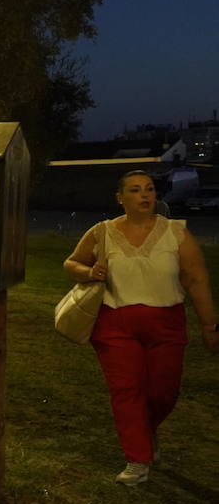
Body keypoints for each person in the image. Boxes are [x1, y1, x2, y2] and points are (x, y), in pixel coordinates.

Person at [62, 170, 219, 485]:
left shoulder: (176, 233)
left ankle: (146, 432)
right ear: (120, 198)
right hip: (115, 324)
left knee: (164, 392)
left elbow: (196, 279)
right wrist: (90, 271)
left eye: (149, 189)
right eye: (135, 190)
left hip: (166, 323)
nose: (144, 195)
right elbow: (72, 262)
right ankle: (137, 459)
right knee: (127, 391)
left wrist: (209, 324)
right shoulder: (102, 232)